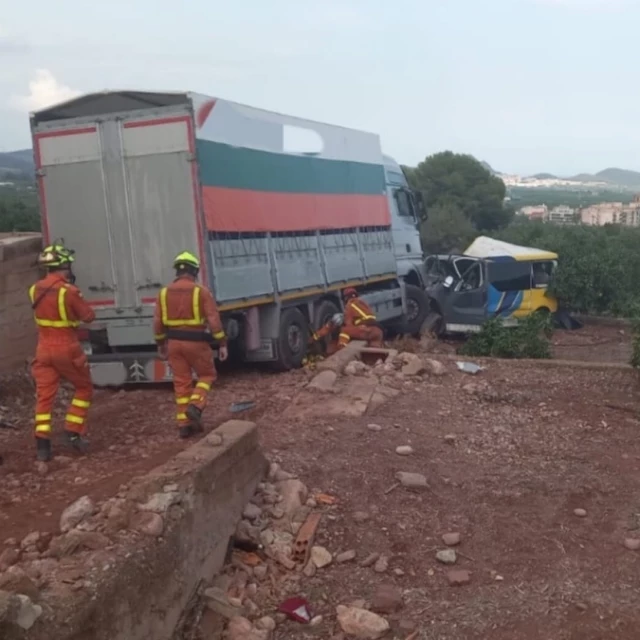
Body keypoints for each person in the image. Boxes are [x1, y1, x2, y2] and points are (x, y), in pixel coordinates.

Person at [29, 244, 95, 462]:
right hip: (66, 348)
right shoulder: (69, 291)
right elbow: (88, 317)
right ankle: (73, 431)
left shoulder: (34, 290)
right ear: (64, 266)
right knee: (84, 388)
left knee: (45, 397)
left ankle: (42, 446)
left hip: (43, 349)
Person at [153, 251, 228, 439]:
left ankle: (184, 425)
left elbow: (157, 323)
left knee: (181, 383)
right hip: (196, 342)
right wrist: (222, 343)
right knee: (207, 375)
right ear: (194, 270)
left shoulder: (163, 293)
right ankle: (196, 406)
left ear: (177, 272)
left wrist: (161, 344)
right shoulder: (200, 291)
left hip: (174, 344)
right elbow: (214, 320)